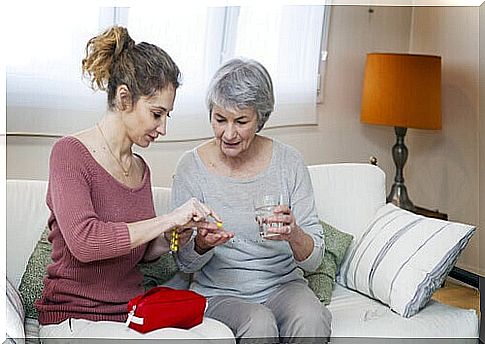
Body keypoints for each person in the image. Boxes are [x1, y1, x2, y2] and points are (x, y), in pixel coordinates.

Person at [36, 26, 234, 341]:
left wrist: (178, 235)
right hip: (74, 318)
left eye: (167, 115)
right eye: (157, 114)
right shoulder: (69, 153)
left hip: (129, 314)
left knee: (220, 334)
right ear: (125, 98)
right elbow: (85, 242)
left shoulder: (141, 168)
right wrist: (167, 218)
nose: (163, 128)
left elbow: (142, 252)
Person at [171, 58, 332, 343]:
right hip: (220, 293)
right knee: (258, 323)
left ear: (261, 118)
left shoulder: (289, 163)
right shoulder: (190, 168)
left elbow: (315, 259)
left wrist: (294, 234)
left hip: (284, 287)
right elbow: (183, 264)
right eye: (220, 119)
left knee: (311, 317)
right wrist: (201, 244)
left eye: (241, 121)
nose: (228, 133)